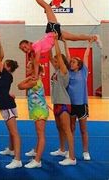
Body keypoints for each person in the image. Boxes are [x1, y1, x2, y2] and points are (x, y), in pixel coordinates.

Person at [19, 0, 102, 79]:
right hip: (54, 35)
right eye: (23, 49)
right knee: (75, 38)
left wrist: (35, 76)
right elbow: (35, 61)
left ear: (29, 43)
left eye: (25, 47)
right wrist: (35, 73)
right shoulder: (34, 51)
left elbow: (37, 62)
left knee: (47, 6)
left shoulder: (36, 46)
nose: (25, 50)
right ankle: (94, 37)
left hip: (52, 31)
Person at [0, 39, 22, 169]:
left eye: (5, 64)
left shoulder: (6, 74)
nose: (2, 65)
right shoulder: (4, 75)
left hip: (8, 106)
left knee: (14, 132)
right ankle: (11, 149)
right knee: (11, 131)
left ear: (8, 67)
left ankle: (17, 159)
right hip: (5, 104)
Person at [49, 34, 76, 166]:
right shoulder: (56, 71)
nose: (54, 62)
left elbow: (59, 56)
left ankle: (72, 157)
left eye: (56, 60)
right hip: (56, 103)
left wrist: (55, 41)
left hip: (64, 103)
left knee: (67, 130)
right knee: (59, 128)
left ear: (60, 62)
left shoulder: (64, 71)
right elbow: (50, 57)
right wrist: (47, 43)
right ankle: (62, 149)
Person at [65, 39, 93, 161]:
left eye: (74, 62)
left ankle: (85, 151)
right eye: (71, 62)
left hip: (82, 105)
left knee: (83, 129)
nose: (71, 63)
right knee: (71, 129)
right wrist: (65, 44)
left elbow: (86, 55)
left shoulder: (83, 72)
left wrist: (89, 44)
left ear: (79, 64)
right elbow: (67, 56)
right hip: (71, 105)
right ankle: (70, 151)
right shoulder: (68, 73)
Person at [18, 63, 49, 168]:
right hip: (36, 110)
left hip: (40, 110)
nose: (26, 68)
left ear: (34, 70)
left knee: (41, 135)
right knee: (39, 134)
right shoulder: (34, 80)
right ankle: (36, 151)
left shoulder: (34, 82)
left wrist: (28, 78)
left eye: (28, 67)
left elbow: (20, 86)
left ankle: (37, 161)